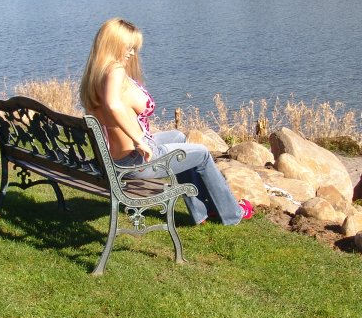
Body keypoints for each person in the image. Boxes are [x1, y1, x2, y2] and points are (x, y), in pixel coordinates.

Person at [80, 17, 252, 225]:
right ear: (114, 44)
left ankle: (202, 212)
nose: (132, 53)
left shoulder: (97, 72)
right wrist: (138, 140)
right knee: (203, 154)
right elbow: (113, 105)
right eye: (129, 47)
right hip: (135, 162)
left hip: (115, 159)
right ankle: (233, 214)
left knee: (179, 137)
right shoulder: (115, 70)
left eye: (134, 48)